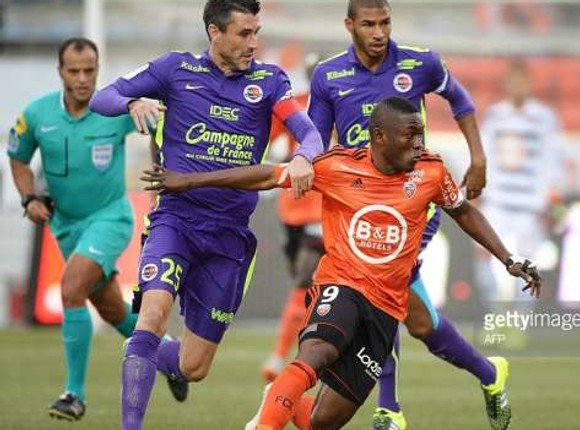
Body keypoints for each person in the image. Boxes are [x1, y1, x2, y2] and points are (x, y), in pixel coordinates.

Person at [141, 96, 541, 430]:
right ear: (380, 138)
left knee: (321, 422)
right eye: (410, 135)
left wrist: (508, 258)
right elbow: (266, 175)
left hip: (386, 309)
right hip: (342, 286)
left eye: (421, 133)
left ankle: (279, 396)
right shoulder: (336, 166)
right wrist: (190, 181)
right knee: (317, 353)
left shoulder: (431, 173)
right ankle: (270, 417)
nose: (419, 144)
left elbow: (464, 212)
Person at [89, 1, 323, 429]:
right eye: (244, 34)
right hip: (174, 220)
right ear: (215, 33)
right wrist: (132, 103)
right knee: (152, 314)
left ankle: (162, 358)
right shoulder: (175, 70)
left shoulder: (269, 81)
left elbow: (307, 131)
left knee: (194, 366)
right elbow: (104, 96)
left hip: (229, 237)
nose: (254, 43)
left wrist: (306, 156)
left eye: (257, 32)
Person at [306, 1, 500, 429]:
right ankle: (490, 373)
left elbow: (461, 100)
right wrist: (306, 168)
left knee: (382, 284)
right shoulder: (328, 76)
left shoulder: (422, 63)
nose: (379, 33)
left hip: (413, 200)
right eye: (369, 24)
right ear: (349, 25)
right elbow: (314, 142)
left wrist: (478, 157)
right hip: (360, 202)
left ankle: (389, 409)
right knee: (420, 323)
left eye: (385, 23)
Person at [6, 37, 184, 422]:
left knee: (70, 288)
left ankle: (74, 394)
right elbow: (18, 158)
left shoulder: (112, 110)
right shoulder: (37, 115)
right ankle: (171, 354)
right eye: (75, 71)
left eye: (90, 70)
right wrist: (28, 199)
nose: (84, 78)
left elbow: (160, 127)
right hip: (65, 227)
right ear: (61, 73)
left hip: (110, 219)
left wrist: (166, 170)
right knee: (112, 309)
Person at [478, 59, 567, 306]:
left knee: (527, 266)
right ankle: (495, 316)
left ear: (529, 84)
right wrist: (478, 193)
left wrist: (552, 200)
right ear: (506, 84)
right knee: (485, 257)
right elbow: (483, 156)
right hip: (497, 202)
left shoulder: (544, 118)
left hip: (530, 206)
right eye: (513, 81)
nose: (517, 86)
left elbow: (553, 160)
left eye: (522, 81)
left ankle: (519, 324)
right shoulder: (496, 116)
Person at [261, 53, 325, 383]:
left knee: (305, 283)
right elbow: (260, 142)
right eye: (314, 74)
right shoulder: (293, 107)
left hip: (326, 209)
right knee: (305, 286)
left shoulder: (346, 107)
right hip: (293, 209)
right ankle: (300, 353)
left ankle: (281, 357)